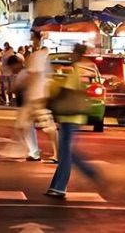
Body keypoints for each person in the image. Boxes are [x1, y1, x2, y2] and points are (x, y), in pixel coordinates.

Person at [44, 43, 103, 197]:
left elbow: (67, 91)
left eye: (73, 53)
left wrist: (51, 97)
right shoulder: (85, 69)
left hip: (70, 115)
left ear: (78, 54)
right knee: (66, 151)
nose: (71, 56)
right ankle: (56, 185)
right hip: (75, 115)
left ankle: (62, 185)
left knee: (67, 153)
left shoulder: (75, 70)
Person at [16, 33, 51, 161]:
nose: (31, 42)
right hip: (38, 94)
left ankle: (36, 152)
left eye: (33, 39)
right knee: (28, 124)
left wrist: (21, 84)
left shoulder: (38, 56)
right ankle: (34, 151)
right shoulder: (42, 55)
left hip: (35, 95)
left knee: (45, 126)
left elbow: (33, 75)